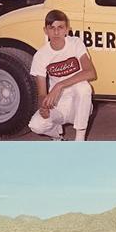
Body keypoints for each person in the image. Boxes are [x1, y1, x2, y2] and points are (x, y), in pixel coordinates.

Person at [28, 10, 96, 141]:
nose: (56, 32)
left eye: (60, 27)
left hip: (79, 103)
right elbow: (42, 94)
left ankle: (79, 141)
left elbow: (90, 72)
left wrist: (59, 85)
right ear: (45, 30)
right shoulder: (41, 55)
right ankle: (58, 138)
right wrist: (43, 107)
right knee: (36, 125)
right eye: (52, 28)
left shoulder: (75, 43)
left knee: (84, 88)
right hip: (58, 104)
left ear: (67, 30)